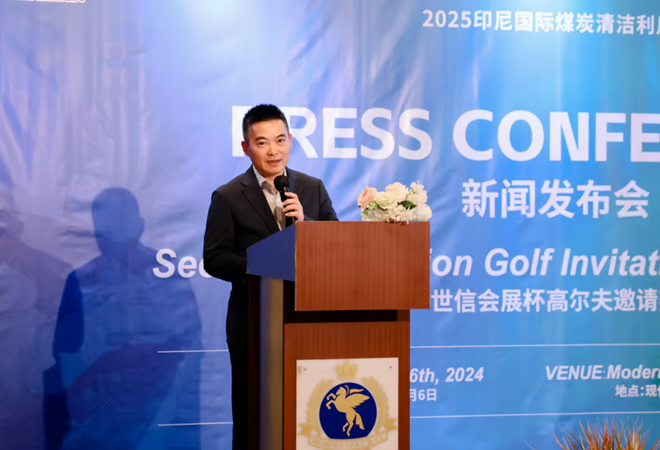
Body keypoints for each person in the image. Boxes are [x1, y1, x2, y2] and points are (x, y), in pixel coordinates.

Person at [203, 104, 338, 449]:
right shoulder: (228, 196)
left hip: (308, 319)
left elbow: (337, 246)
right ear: (246, 147)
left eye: (280, 140)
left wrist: (307, 226)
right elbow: (215, 258)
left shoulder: (312, 188)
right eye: (262, 142)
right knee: (254, 417)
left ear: (290, 141)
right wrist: (263, 264)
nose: (273, 150)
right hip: (254, 322)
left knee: (307, 413)